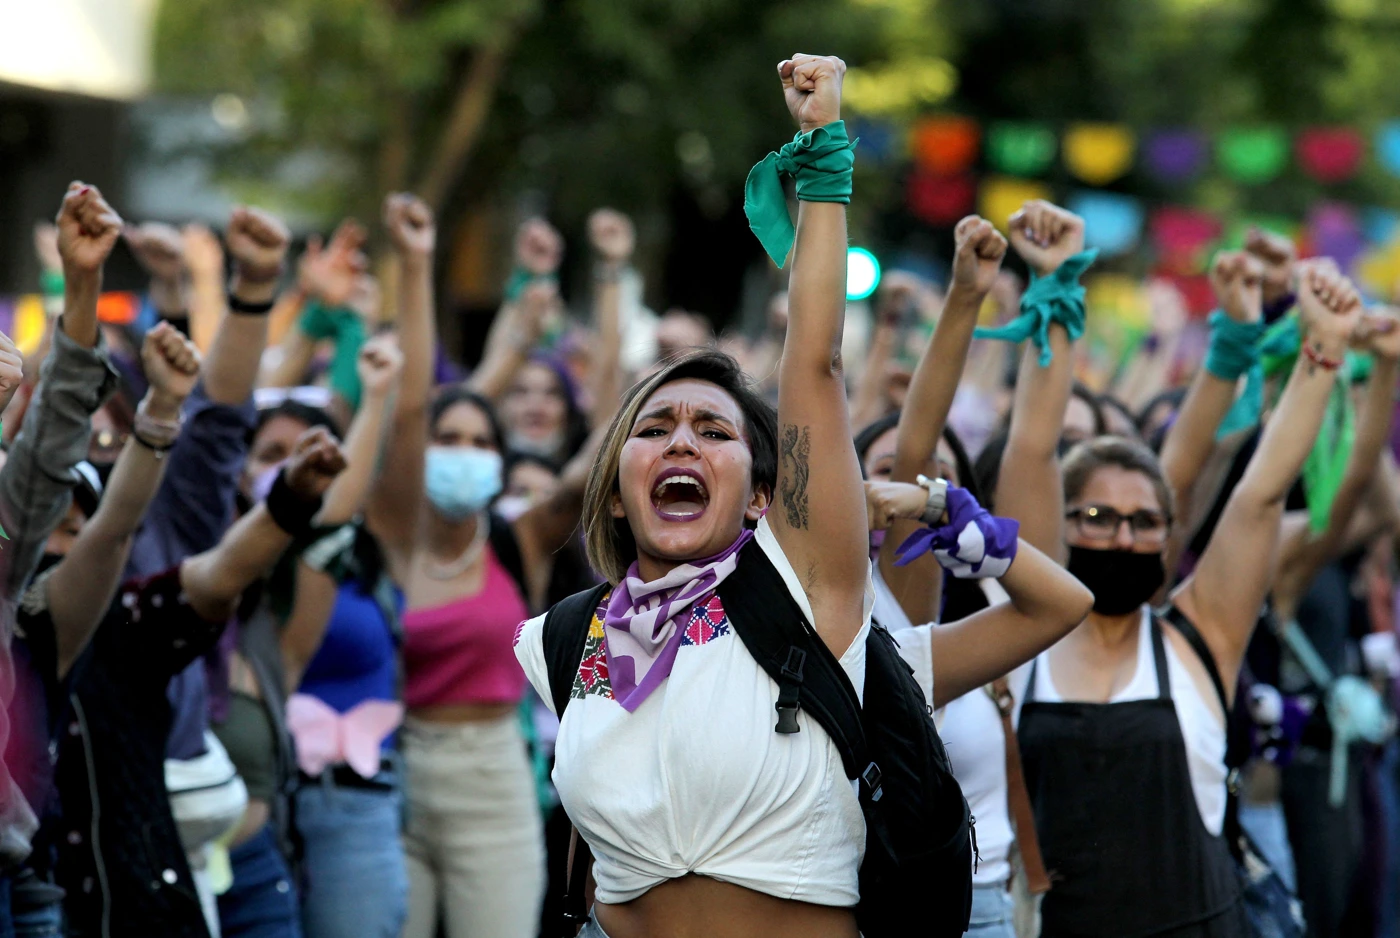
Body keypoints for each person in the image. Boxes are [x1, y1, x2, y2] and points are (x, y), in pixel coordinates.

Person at [514, 53, 925, 938]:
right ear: (617, 493)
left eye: (713, 429)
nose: (682, 442)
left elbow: (814, 362)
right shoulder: (558, 641)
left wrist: (822, 154)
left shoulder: (805, 586)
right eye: (654, 429)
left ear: (759, 498)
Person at [1012, 228, 1365, 937]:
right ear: (1058, 530)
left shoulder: (1200, 635)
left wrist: (1322, 353)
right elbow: (1030, 446)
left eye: (1145, 521)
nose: (1122, 536)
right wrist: (1053, 286)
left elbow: (1260, 495)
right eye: (1097, 516)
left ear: (1169, 539)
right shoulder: (1019, 641)